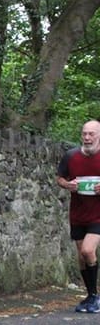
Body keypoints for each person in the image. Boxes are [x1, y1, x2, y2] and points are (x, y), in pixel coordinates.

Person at [56, 119, 100, 314]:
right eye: (84, 134)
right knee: (82, 257)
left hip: (98, 215)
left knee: (88, 251)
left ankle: (94, 296)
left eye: (91, 134)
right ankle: (91, 296)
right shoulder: (71, 156)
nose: (87, 137)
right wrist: (68, 185)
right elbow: (60, 178)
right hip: (78, 214)